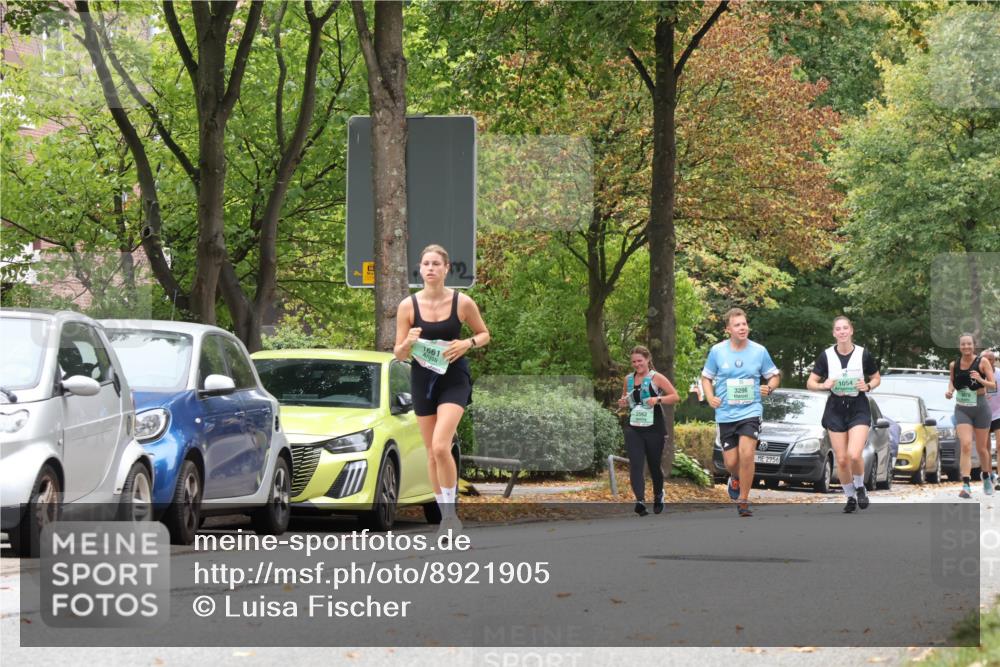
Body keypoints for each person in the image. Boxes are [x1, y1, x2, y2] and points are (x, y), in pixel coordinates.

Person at [394, 245, 490, 534]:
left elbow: (484, 334)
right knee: (431, 452)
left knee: (440, 445)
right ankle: (445, 514)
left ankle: (450, 515)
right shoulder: (408, 306)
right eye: (426, 264)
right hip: (422, 378)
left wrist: (467, 343)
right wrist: (408, 342)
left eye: (436, 263)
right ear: (420, 270)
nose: (431, 268)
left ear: (446, 269)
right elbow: (398, 354)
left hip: (453, 378)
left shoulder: (462, 302)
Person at [701, 308, 780, 517]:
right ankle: (735, 477)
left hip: (751, 410)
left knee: (747, 454)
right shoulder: (717, 351)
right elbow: (706, 378)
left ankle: (744, 500)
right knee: (731, 462)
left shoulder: (759, 351)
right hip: (726, 413)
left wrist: (769, 387)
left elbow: (774, 375)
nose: (742, 328)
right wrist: (710, 397)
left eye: (744, 324)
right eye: (737, 325)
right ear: (728, 329)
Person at [806, 316, 882, 513]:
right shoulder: (826, 356)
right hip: (835, 408)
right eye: (838, 329)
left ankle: (860, 487)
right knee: (841, 460)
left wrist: (867, 386)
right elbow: (810, 383)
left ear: (851, 331)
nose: (841, 332)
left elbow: (876, 378)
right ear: (834, 333)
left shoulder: (864, 354)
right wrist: (823, 385)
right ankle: (849, 497)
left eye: (845, 328)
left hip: (858, 406)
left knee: (854, 455)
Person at [617, 346, 680, 516]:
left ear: (647, 359)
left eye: (640, 361)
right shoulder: (628, 379)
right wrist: (623, 403)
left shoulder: (656, 377)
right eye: (634, 362)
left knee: (653, 465)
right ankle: (640, 501)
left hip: (654, 427)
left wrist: (657, 398)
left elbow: (675, 396)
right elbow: (626, 400)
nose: (637, 364)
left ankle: (658, 495)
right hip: (634, 427)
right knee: (636, 464)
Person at [946, 335, 997, 498]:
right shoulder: (954, 364)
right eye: (963, 344)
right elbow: (952, 381)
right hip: (962, 409)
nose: (966, 347)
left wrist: (980, 379)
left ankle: (986, 476)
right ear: (959, 346)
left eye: (969, 344)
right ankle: (966, 485)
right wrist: (949, 391)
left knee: (982, 448)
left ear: (974, 346)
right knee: (966, 445)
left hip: (981, 407)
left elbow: (993, 385)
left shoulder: (982, 362)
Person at [984, 349, 1000, 491]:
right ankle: (989, 476)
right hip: (983, 414)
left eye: (989, 359)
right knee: (986, 448)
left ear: (993, 361)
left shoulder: (999, 374)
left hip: (998, 413)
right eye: (984, 359)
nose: (986, 362)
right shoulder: (977, 375)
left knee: (999, 446)